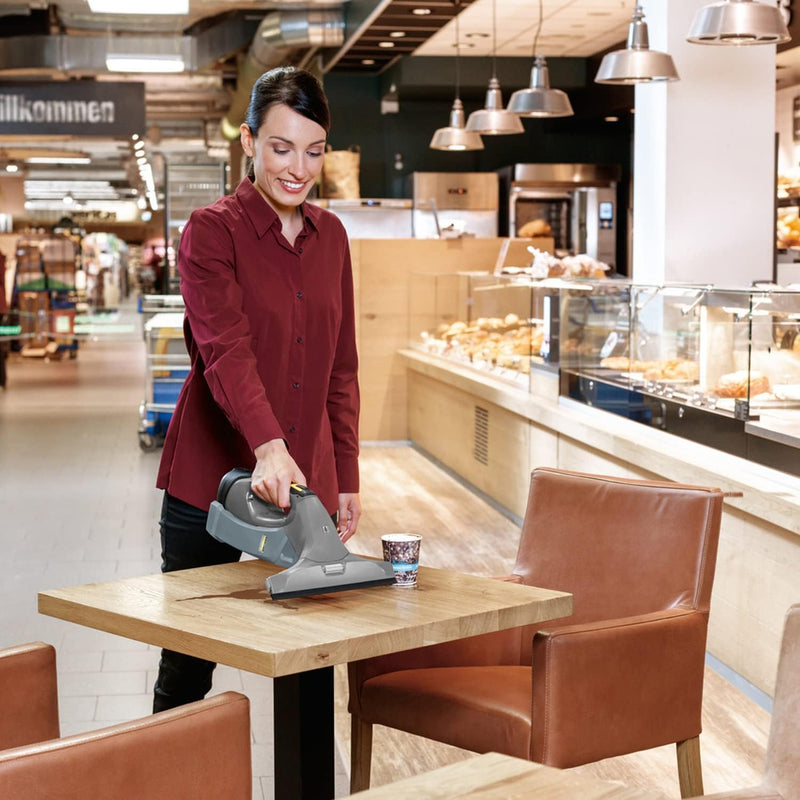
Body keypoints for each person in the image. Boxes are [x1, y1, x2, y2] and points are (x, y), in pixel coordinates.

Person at [152, 66, 360, 713]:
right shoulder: (210, 233)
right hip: (212, 482)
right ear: (247, 141)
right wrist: (268, 446)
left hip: (306, 491)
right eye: (280, 147)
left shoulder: (334, 240)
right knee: (189, 666)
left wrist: (346, 475)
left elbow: (342, 367)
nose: (298, 168)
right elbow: (225, 352)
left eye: (314, 150)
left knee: (309, 670)